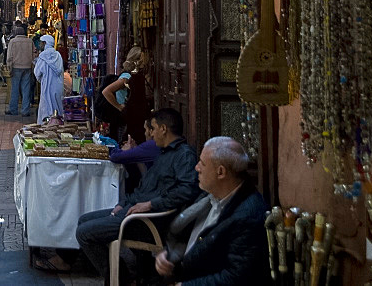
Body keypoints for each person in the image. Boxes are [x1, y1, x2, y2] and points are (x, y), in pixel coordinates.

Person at [75, 108, 200, 282]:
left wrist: (151, 205)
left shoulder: (184, 155)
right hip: (135, 210)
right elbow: (144, 188)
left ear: (163, 129)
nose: (151, 134)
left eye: (153, 129)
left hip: (148, 221)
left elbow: (187, 191)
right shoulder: (163, 152)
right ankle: (118, 275)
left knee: (84, 232)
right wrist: (124, 202)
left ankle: (120, 278)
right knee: (83, 220)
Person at [155, 137, 269, 285]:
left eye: (202, 163)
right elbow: (188, 238)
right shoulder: (208, 195)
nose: (197, 167)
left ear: (220, 172)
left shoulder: (247, 215)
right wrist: (168, 256)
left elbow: (236, 278)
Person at [5, 25, 36, 116]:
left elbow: (9, 56)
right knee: (26, 89)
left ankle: (13, 109)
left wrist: (9, 67)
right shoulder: (30, 41)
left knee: (15, 88)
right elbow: (34, 54)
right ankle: (25, 110)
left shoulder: (13, 41)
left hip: (16, 67)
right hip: (27, 67)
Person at [33, 34, 63, 123]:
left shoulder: (42, 57)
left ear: (45, 43)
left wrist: (41, 79)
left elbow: (37, 73)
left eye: (42, 43)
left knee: (46, 110)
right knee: (58, 108)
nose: (40, 45)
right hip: (58, 87)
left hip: (47, 87)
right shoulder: (58, 55)